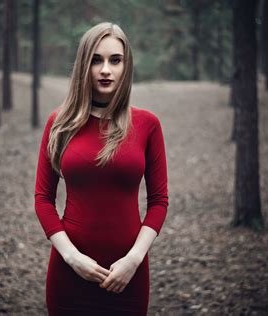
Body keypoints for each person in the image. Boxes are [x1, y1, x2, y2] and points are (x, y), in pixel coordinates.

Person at [34, 22, 169, 315]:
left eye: (115, 60)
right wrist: (71, 257)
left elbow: (158, 202)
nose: (106, 69)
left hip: (128, 276)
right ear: (84, 65)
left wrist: (133, 260)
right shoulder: (60, 124)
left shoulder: (147, 124)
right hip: (69, 275)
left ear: (126, 65)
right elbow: (43, 198)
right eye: (96, 60)